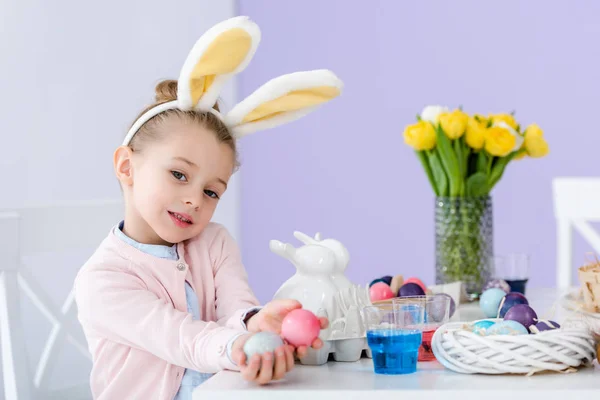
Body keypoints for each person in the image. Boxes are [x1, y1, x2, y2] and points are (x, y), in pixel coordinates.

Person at [74, 16, 343, 399]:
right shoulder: (103, 279)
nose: (194, 200)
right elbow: (180, 338)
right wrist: (237, 346)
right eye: (179, 175)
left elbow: (235, 308)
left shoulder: (214, 242)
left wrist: (257, 322)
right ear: (126, 166)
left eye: (212, 192)